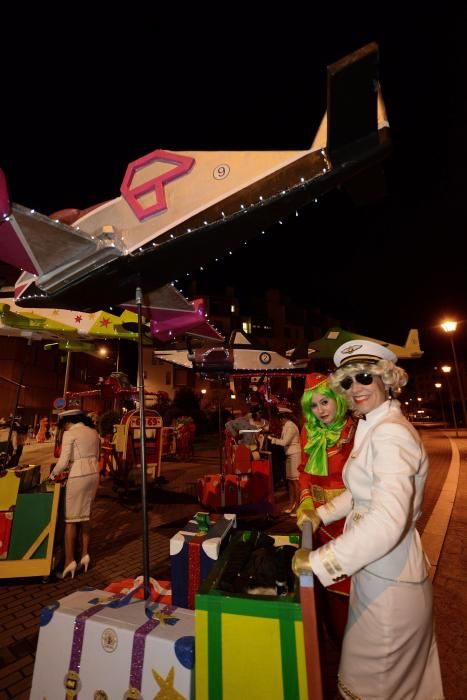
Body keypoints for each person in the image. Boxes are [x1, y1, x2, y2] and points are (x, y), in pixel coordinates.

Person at [293, 341, 444, 700]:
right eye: (347, 382)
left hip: (390, 584)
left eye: (364, 377)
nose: (355, 389)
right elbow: (364, 494)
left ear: (387, 380)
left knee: (370, 689)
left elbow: (388, 519)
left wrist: (318, 561)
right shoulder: (374, 424)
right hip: (377, 573)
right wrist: (321, 514)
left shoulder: (389, 432)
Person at [297, 372, 355, 641]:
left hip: (348, 520)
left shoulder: (353, 429)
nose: (319, 411)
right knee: (321, 583)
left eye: (325, 403)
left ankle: (349, 642)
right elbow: (304, 471)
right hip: (316, 521)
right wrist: (306, 501)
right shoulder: (309, 431)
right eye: (314, 405)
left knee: (345, 581)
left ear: (337, 401)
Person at [49, 409, 101, 579]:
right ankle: (85, 555)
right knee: (85, 517)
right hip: (94, 475)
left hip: (78, 476)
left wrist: (52, 475)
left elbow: (64, 461)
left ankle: (69, 561)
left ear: (67, 422)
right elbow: (97, 455)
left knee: (70, 520)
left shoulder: (71, 433)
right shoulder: (93, 432)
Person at [269, 408, 301, 513]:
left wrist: (271, 439)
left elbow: (284, 442)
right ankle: (291, 504)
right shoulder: (286, 426)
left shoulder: (291, 426)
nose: (280, 420)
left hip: (295, 454)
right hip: (289, 454)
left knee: (295, 481)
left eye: (281, 417)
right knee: (290, 481)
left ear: (285, 417)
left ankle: (298, 506)